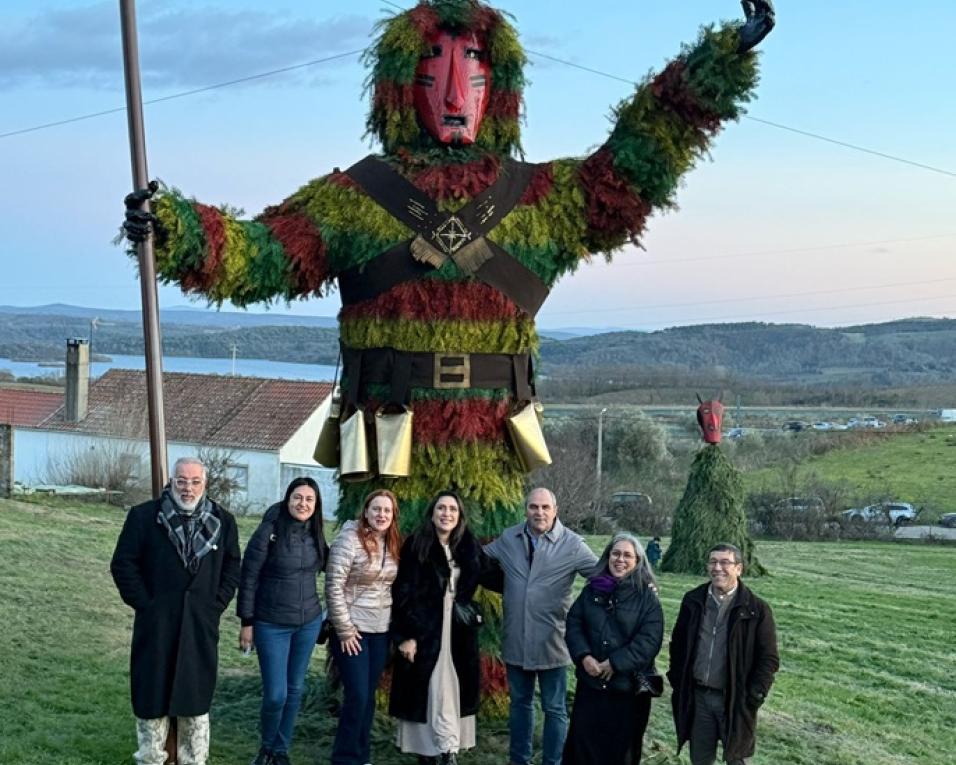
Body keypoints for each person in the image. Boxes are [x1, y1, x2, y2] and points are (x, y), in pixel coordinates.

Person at [110, 456, 241, 765]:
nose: (188, 488)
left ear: (205, 484)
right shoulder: (144, 517)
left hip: (199, 626)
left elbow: (232, 567)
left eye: (195, 482)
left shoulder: (223, 521)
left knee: (194, 702)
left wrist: (214, 606)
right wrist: (146, 604)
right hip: (156, 625)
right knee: (151, 698)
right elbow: (123, 564)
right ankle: (151, 759)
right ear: (172, 482)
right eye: (181, 481)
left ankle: (193, 760)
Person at [483, 487, 598, 765]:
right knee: (520, 704)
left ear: (555, 510)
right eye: (534, 507)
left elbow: (602, 575)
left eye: (545, 507)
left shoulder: (572, 544)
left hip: (552, 642)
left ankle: (552, 761)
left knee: (554, 708)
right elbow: (477, 560)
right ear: (526, 510)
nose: (540, 512)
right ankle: (519, 760)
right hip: (516, 639)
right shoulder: (509, 538)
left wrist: (640, 584)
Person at [389, 491, 489, 765]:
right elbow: (402, 593)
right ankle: (430, 751)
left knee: (454, 687)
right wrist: (406, 635)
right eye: (441, 508)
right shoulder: (416, 546)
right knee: (431, 688)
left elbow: (492, 574)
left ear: (460, 516)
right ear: (432, 514)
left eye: (453, 509)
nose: (447, 514)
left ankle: (449, 749)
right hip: (425, 630)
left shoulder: (468, 546)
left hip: (458, 632)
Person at [237, 477, 330, 765]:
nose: (303, 504)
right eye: (297, 497)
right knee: (276, 694)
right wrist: (247, 622)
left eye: (309, 499)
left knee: (294, 690)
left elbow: (334, 566)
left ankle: (280, 750)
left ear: (316, 505)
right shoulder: (270, 531)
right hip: (271, 623)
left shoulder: (316, 533)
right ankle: (266, 747)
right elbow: (248, 576)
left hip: (308, 623)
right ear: (287, 499)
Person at [667, 543, 780, 765]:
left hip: (735, 700)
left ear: (739, 568)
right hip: (699, 698)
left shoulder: (756, 609)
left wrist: (755, 695)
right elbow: (678, 645)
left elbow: (768, 658)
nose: (717, 568)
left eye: (725, 562)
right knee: (700, 759)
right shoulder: (693, 601)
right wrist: (678, 680)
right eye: (713, 562)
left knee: (737, 760)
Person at [563, 533, 664, 765]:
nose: (620, 559)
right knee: (582, 751)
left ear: (637, 561)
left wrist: (615, 663)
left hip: (627, 691)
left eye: (627, 555)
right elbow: (574, 624)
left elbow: (649, 640)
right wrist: (584, 656)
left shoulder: (647, 598)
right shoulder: (591, 591)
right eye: (615, 553)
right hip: (591, 686)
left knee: (619, 754)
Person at [325, 489, 402, 765]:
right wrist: (345, 629)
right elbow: (333, 585)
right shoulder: (349, 539)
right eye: (376, 509)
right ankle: (344, 758)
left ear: (393, 516)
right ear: (366, 512)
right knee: (356, 695)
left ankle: (361, 755)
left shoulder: (392, 543)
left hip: (380, 631)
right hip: (352, 630)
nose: (381, 515)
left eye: (387, 510)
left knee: (368, 697)